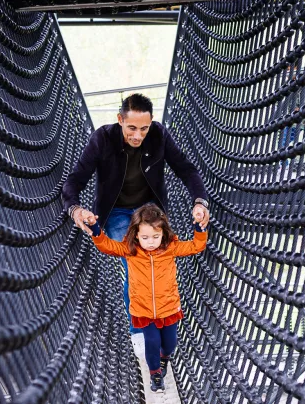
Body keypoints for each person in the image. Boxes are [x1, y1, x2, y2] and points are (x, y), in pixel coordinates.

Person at [62, 93, 210, 334]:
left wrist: (200, 202)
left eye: (144, 128)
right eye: (131, 127)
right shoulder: (102, 139)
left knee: (161, 261)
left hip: (151, 211)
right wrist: (75, 209)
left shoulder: (159, 135)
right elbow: (75, 179)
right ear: (120, 119)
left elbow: (187, 169)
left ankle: (162, 320)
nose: (138, 135)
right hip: (117, 212)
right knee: (137, 258)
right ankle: (141, 332)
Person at [85, 204, 208, 392]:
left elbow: (196, 246)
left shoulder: (170, 248)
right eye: (145, 237)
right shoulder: (130, 250)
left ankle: (164, 358)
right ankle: (155, 374)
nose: (150, 242)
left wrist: (199, 227)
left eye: (155, 237)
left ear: (163, 234)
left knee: (169, 344)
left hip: (168, 307)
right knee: (152, 342)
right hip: (143, 310)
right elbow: (107, 246)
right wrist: (95, 229)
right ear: (136, 235)